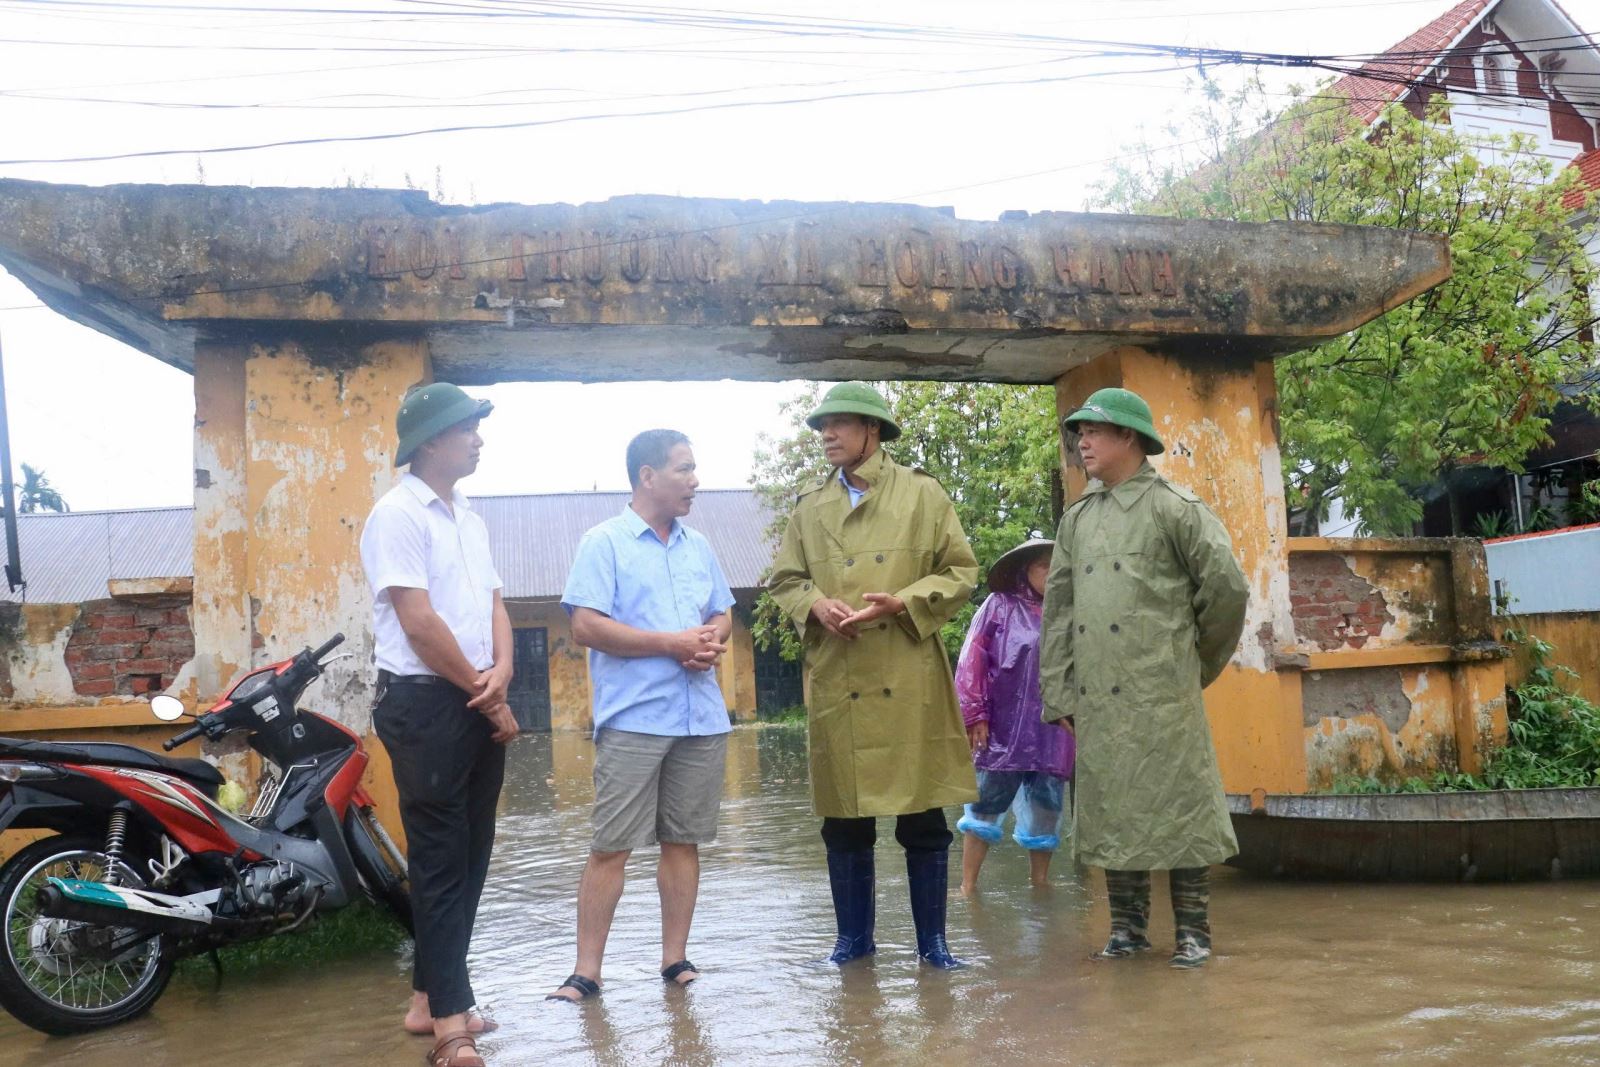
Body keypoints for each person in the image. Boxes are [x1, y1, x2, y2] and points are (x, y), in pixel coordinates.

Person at [768, 382, 979, 970]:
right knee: (844, 820)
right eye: (822, 426)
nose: (827, 435)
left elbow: (962, 571)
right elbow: (784, 578)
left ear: (873, 430)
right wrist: (813, 602)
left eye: (839, 424)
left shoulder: (924, 495)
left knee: (923, 817)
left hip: (907, 671)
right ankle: (853, 941)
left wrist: (905, 601)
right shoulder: (809, 508)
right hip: (841, 676)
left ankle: (933, 944)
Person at [1039, 387, 1249, 970]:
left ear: (1129, 437)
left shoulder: (1175, 508)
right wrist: (1058, 692)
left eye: (1094, 432)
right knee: (1112, 810)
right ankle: (1127, 930)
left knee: (1182, 809)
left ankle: (1193, 934)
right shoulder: (1077, 519)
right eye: (1078, 432)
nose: (1082, 442)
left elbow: (1227, 588)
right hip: (1097, 698)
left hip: (1164, 693)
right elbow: (1058, 612)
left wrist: (1193, 664)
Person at [546, 429, 735, 1003]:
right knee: (611, 846)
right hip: (634, 719)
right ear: (647, 476)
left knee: (684, 841)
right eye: (684, 469)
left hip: (700, 718)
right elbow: (585, 626)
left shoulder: (698, 545)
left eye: (695, 468)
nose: (694, 480)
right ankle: (586, 972)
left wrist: (708, 640)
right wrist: (672, 644)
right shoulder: (603, 543)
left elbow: (722, 611)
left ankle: (674, 960)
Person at [359, 382, 517, 1067]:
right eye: (468, 428)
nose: (479, 438)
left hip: (476, 697)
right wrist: (485, 692)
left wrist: (503, 671)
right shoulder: (396, 515)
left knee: (472, 854)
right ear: (429, 441)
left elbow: (493, 605)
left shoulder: (469, 519)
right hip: (425, 703)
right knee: (439, 858)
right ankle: (452, 1026)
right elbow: (418, 622)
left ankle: (429, 997)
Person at [954, 537, 1074, 895]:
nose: (1052, 575)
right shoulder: (998, 606)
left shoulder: (1070, 613)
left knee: (1047, 806)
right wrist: (975, 713)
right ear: (1026, 570)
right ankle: (968, 888)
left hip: (1054, 730)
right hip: (1000, 728)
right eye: (1044, 567)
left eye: (1059, 568)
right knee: (985, 803)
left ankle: (1040, 886)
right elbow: (971, 659)